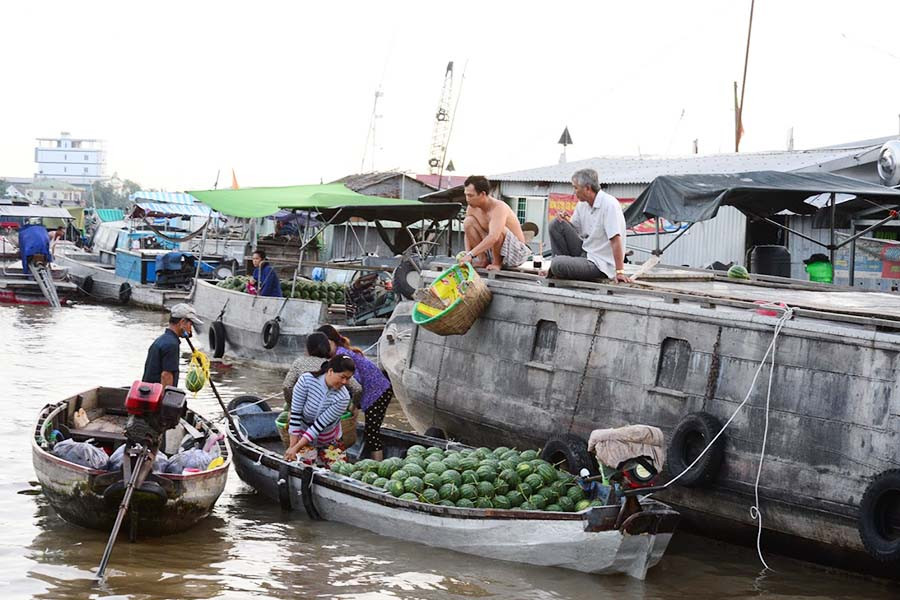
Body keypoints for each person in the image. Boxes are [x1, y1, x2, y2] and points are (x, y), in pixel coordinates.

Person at [308, 325, 393, 461]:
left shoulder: (341, 355)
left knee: (372, 434)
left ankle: (378, 465)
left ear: (331, 341)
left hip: (378, 392)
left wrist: (353, 406)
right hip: (373, 391)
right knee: (370, 432)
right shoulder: (338, 354)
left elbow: (355, 382)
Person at [547, 168, 631, 283]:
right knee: (556, 224)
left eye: (576, 188)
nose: (574, 192)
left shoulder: (609, 205)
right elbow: (575, 229)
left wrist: (619, 271)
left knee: (557, 264)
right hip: (586, 252)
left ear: (587, 188)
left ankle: (558, 267)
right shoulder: (582, 204)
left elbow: (616, 240)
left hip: (600, 264)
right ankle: (560, 267)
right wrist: (564, 219)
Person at [284, 354, 356, 462]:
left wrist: (295, 448)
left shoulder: (343, 398)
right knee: (302, 467)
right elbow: (295, 415)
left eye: (348, 378)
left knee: (339, 470)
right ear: (330, 371)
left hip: (329, 438)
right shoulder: (306, 381)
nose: (345, 382)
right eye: (342, 377)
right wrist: (293, 447)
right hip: (302, 435)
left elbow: (318, 426)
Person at [458, 175, 531, 271]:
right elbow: (468, 233)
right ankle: (482, 260)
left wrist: (471, 254)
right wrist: (468, 255)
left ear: (482, 194)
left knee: (499, 230)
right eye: (466, 195)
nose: (467, 199)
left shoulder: (499, 207)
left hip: (515, 253)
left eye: (470, 195)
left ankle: (497, 263)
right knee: (468, 222)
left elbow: (494, 236)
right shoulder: (472, 208)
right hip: (491, 249)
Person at [142, 303, 201, 387]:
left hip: (148, 391)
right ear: (182, 322)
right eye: (190, 325)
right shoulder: (172, 344)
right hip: (156, 395)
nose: (190, 329)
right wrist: (167, 397)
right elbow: (166, 375)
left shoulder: (162, 340)